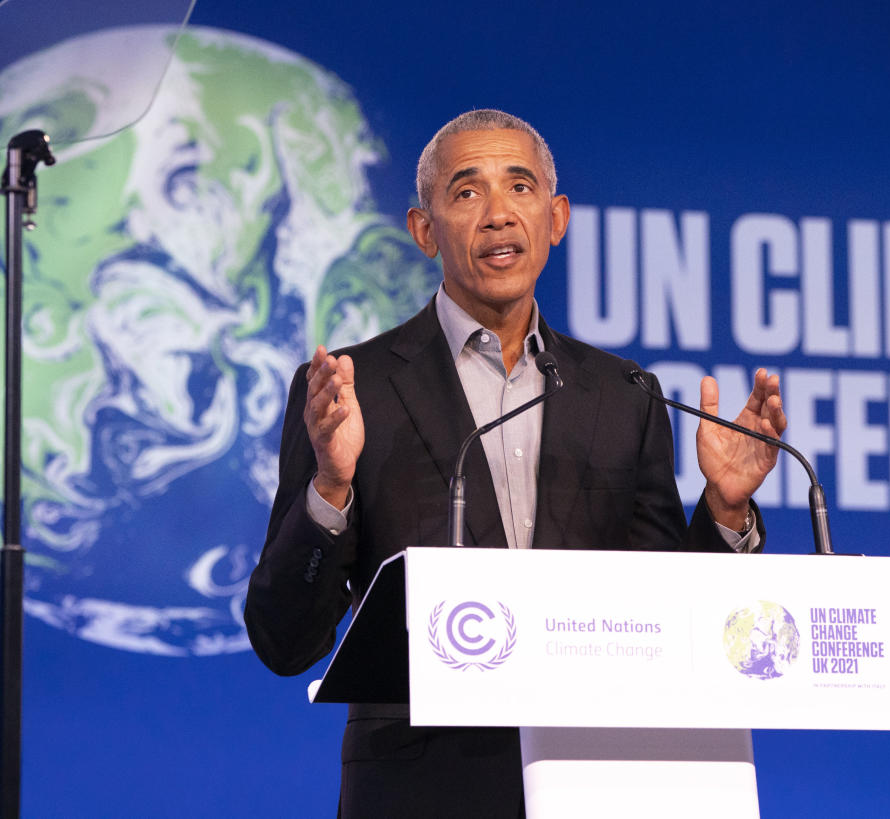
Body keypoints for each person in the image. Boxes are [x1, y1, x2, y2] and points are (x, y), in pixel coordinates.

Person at [245, 109, 787, 818]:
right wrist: (331, 485)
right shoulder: (358, 389)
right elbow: (284, 640)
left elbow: (669, 621)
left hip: (596, 782)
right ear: (424, 228)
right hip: (420, 791)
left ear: (556, 218)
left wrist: (724, 513)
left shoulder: (623, 394)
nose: (499, 214)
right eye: (467, 192)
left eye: (521, 188)